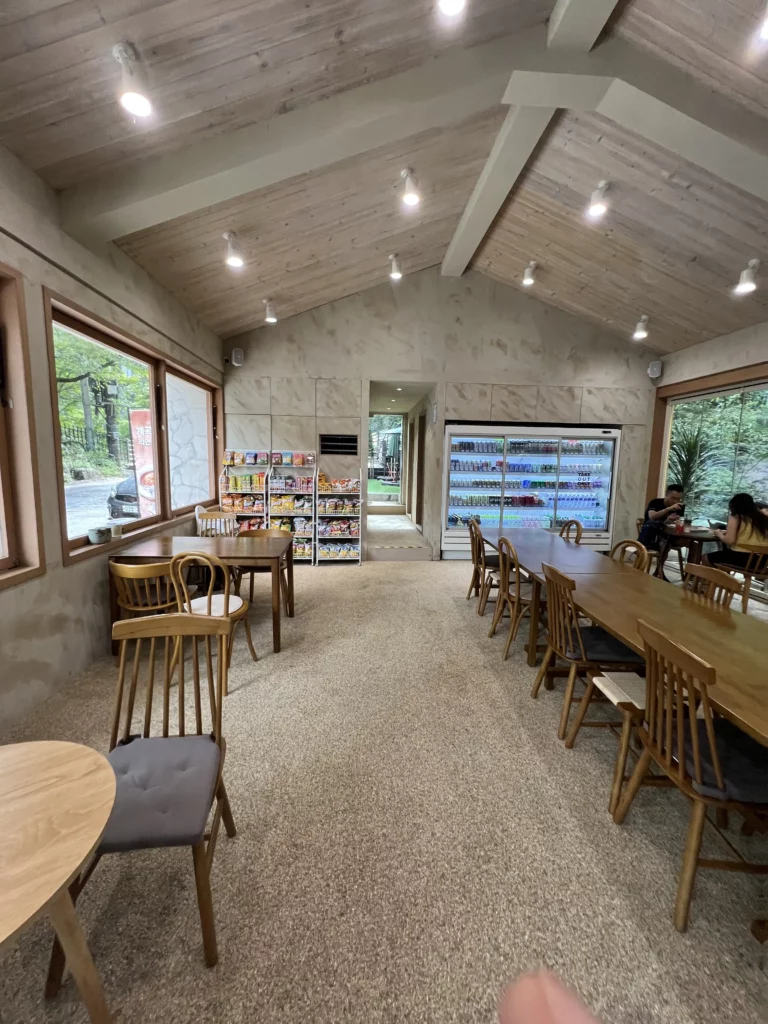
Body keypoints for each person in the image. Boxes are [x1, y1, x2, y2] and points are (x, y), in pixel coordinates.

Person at [704, 492, 768, 570]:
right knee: (724, 555)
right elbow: (751, 534)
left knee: (705, 558)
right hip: (762, 562)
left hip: (742, 559)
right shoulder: (762, 518)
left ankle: (712, 581)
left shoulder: (736, 517)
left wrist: (719, 534)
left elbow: (730, 541)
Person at [638, 483, 684, 553]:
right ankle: (660, 563)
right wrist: (668, 509)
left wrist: (670, 520)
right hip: (653, 535)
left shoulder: (678, 507)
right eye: (673, 498)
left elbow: (670, 524)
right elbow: (652, 517)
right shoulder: (655, 502)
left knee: (694, 545)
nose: (676, 501)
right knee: (664, 544)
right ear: (666, 494)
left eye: (678, 499)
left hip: (669, 535)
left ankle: (692, 564)